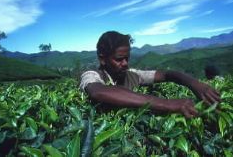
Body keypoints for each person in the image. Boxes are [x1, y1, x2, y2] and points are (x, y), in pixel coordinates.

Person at [80, 31, 221, 118]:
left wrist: (195, 84)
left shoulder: (132, 75)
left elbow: (166, 74)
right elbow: (98, 91)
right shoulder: (91, 75)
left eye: (127, 58)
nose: (125, 63)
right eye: (118, 59)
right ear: (102, 59)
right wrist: (166, 103)